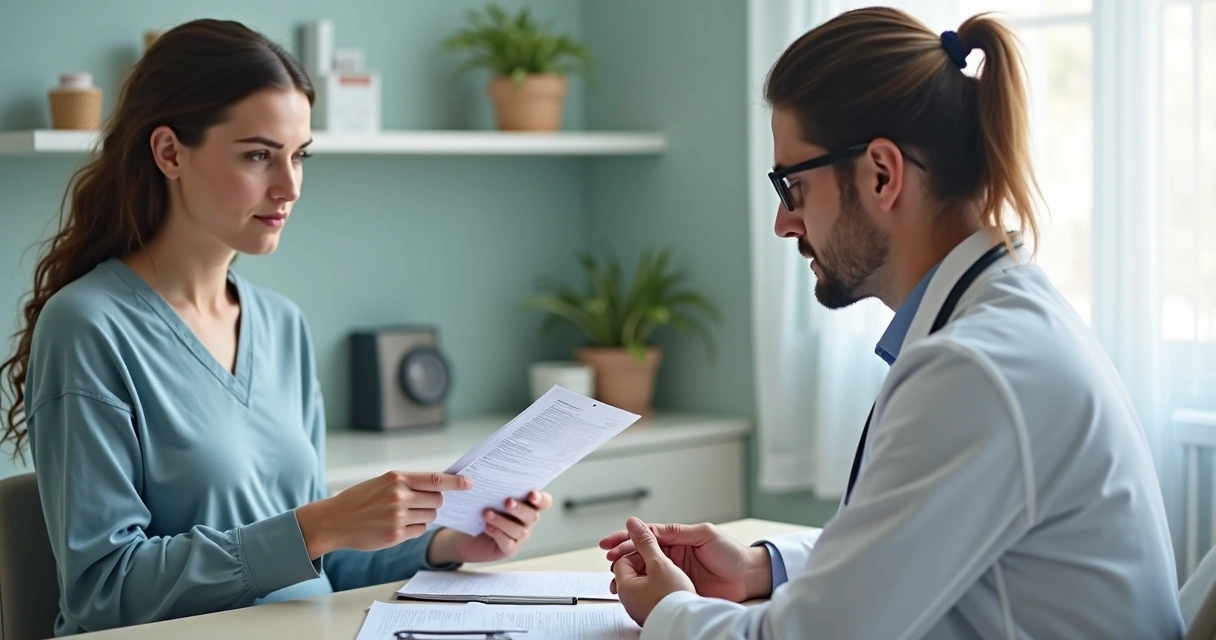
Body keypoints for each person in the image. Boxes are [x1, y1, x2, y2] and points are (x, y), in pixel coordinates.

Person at [600, 7, 1183, 639]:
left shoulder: (972, 369)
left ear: (882, 173)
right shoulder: (1003, 318)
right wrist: (759, 568)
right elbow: (913, 548)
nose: (784, 223)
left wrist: (669, 611)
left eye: (791, 186)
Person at [0, 19, 552, 636]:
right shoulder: (87, 327)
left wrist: (444, 545)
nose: (289, 187)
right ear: (170, 153)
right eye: (259, 155)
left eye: (299, 156)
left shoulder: (281, 324)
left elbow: (317, 562)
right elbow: (104, 591)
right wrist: (318, 526)